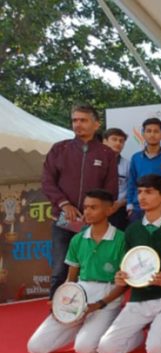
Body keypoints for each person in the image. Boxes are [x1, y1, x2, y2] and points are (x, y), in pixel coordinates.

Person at [98, 174, 161, 353]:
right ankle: (139, 335)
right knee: (106, 350)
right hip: (138, 299)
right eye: (140, 192)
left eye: (149, 192)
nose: (142, 197)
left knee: (156, 352)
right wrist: (121, 276)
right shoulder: (132, 230)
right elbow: (125, 265)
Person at [27, 189, 126, 353]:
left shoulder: (122, 239)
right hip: (79, 294)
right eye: (86, 207)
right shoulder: (77, 239)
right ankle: (84, 324)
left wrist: (100, 304)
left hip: (108, 297)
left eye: (93, 207)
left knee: (84, 349)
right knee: (35, 347)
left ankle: (116, 325)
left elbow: (125, 284)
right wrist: (61, 302)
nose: (87, 211)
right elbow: (71, 279)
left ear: (109, 210)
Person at [41, 103, 119, 299]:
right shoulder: (60, 149)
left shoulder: (106, 154)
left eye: (83, 120)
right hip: (63, 221)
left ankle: (91, 310)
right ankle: (57, 312)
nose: (78, 124)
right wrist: (64, 204)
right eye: (75, 120)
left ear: (96, 124)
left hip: (93, 224)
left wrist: (94, 212)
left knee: (91, 269)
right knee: (60, 269)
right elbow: (47, 181)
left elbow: (111, 191)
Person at [103, 128, 130, 231]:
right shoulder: (93, 162)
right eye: (114, 139)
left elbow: (131, 189)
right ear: (105, 141)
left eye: (121, 141)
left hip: (119, 211)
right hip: (97, 210)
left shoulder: (127, 165)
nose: (118, 143)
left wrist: (119, 204)